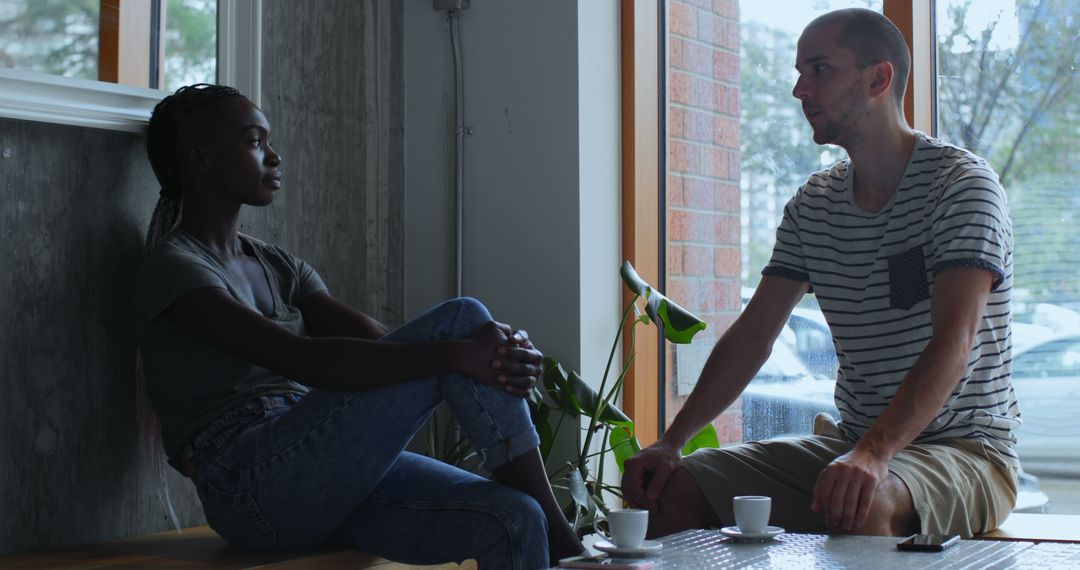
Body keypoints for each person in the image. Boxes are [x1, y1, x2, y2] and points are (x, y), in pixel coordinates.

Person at [133, 83, 583, 570]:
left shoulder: (280, 266)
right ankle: (571, 551)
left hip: (321, 462)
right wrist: (461, 352)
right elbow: (301, 359)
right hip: (249, 484)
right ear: (201, 159)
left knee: (514, 516)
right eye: (255, 142)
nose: (275, 157)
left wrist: (491, 356)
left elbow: (386, 347)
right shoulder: (173, 267)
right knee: (462, 321)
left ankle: (557, 542)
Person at [622, 8, 1019, 540]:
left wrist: (875, 453)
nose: (799, 89)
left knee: (863, 502)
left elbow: (956, 341)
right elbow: (754, 335)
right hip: (853, 444)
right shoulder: (814, 204)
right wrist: (671, 442)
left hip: (967, 452)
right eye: (798, 71)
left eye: (819, 69)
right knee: (673, 490)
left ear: (878, 78)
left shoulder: (961, 185)